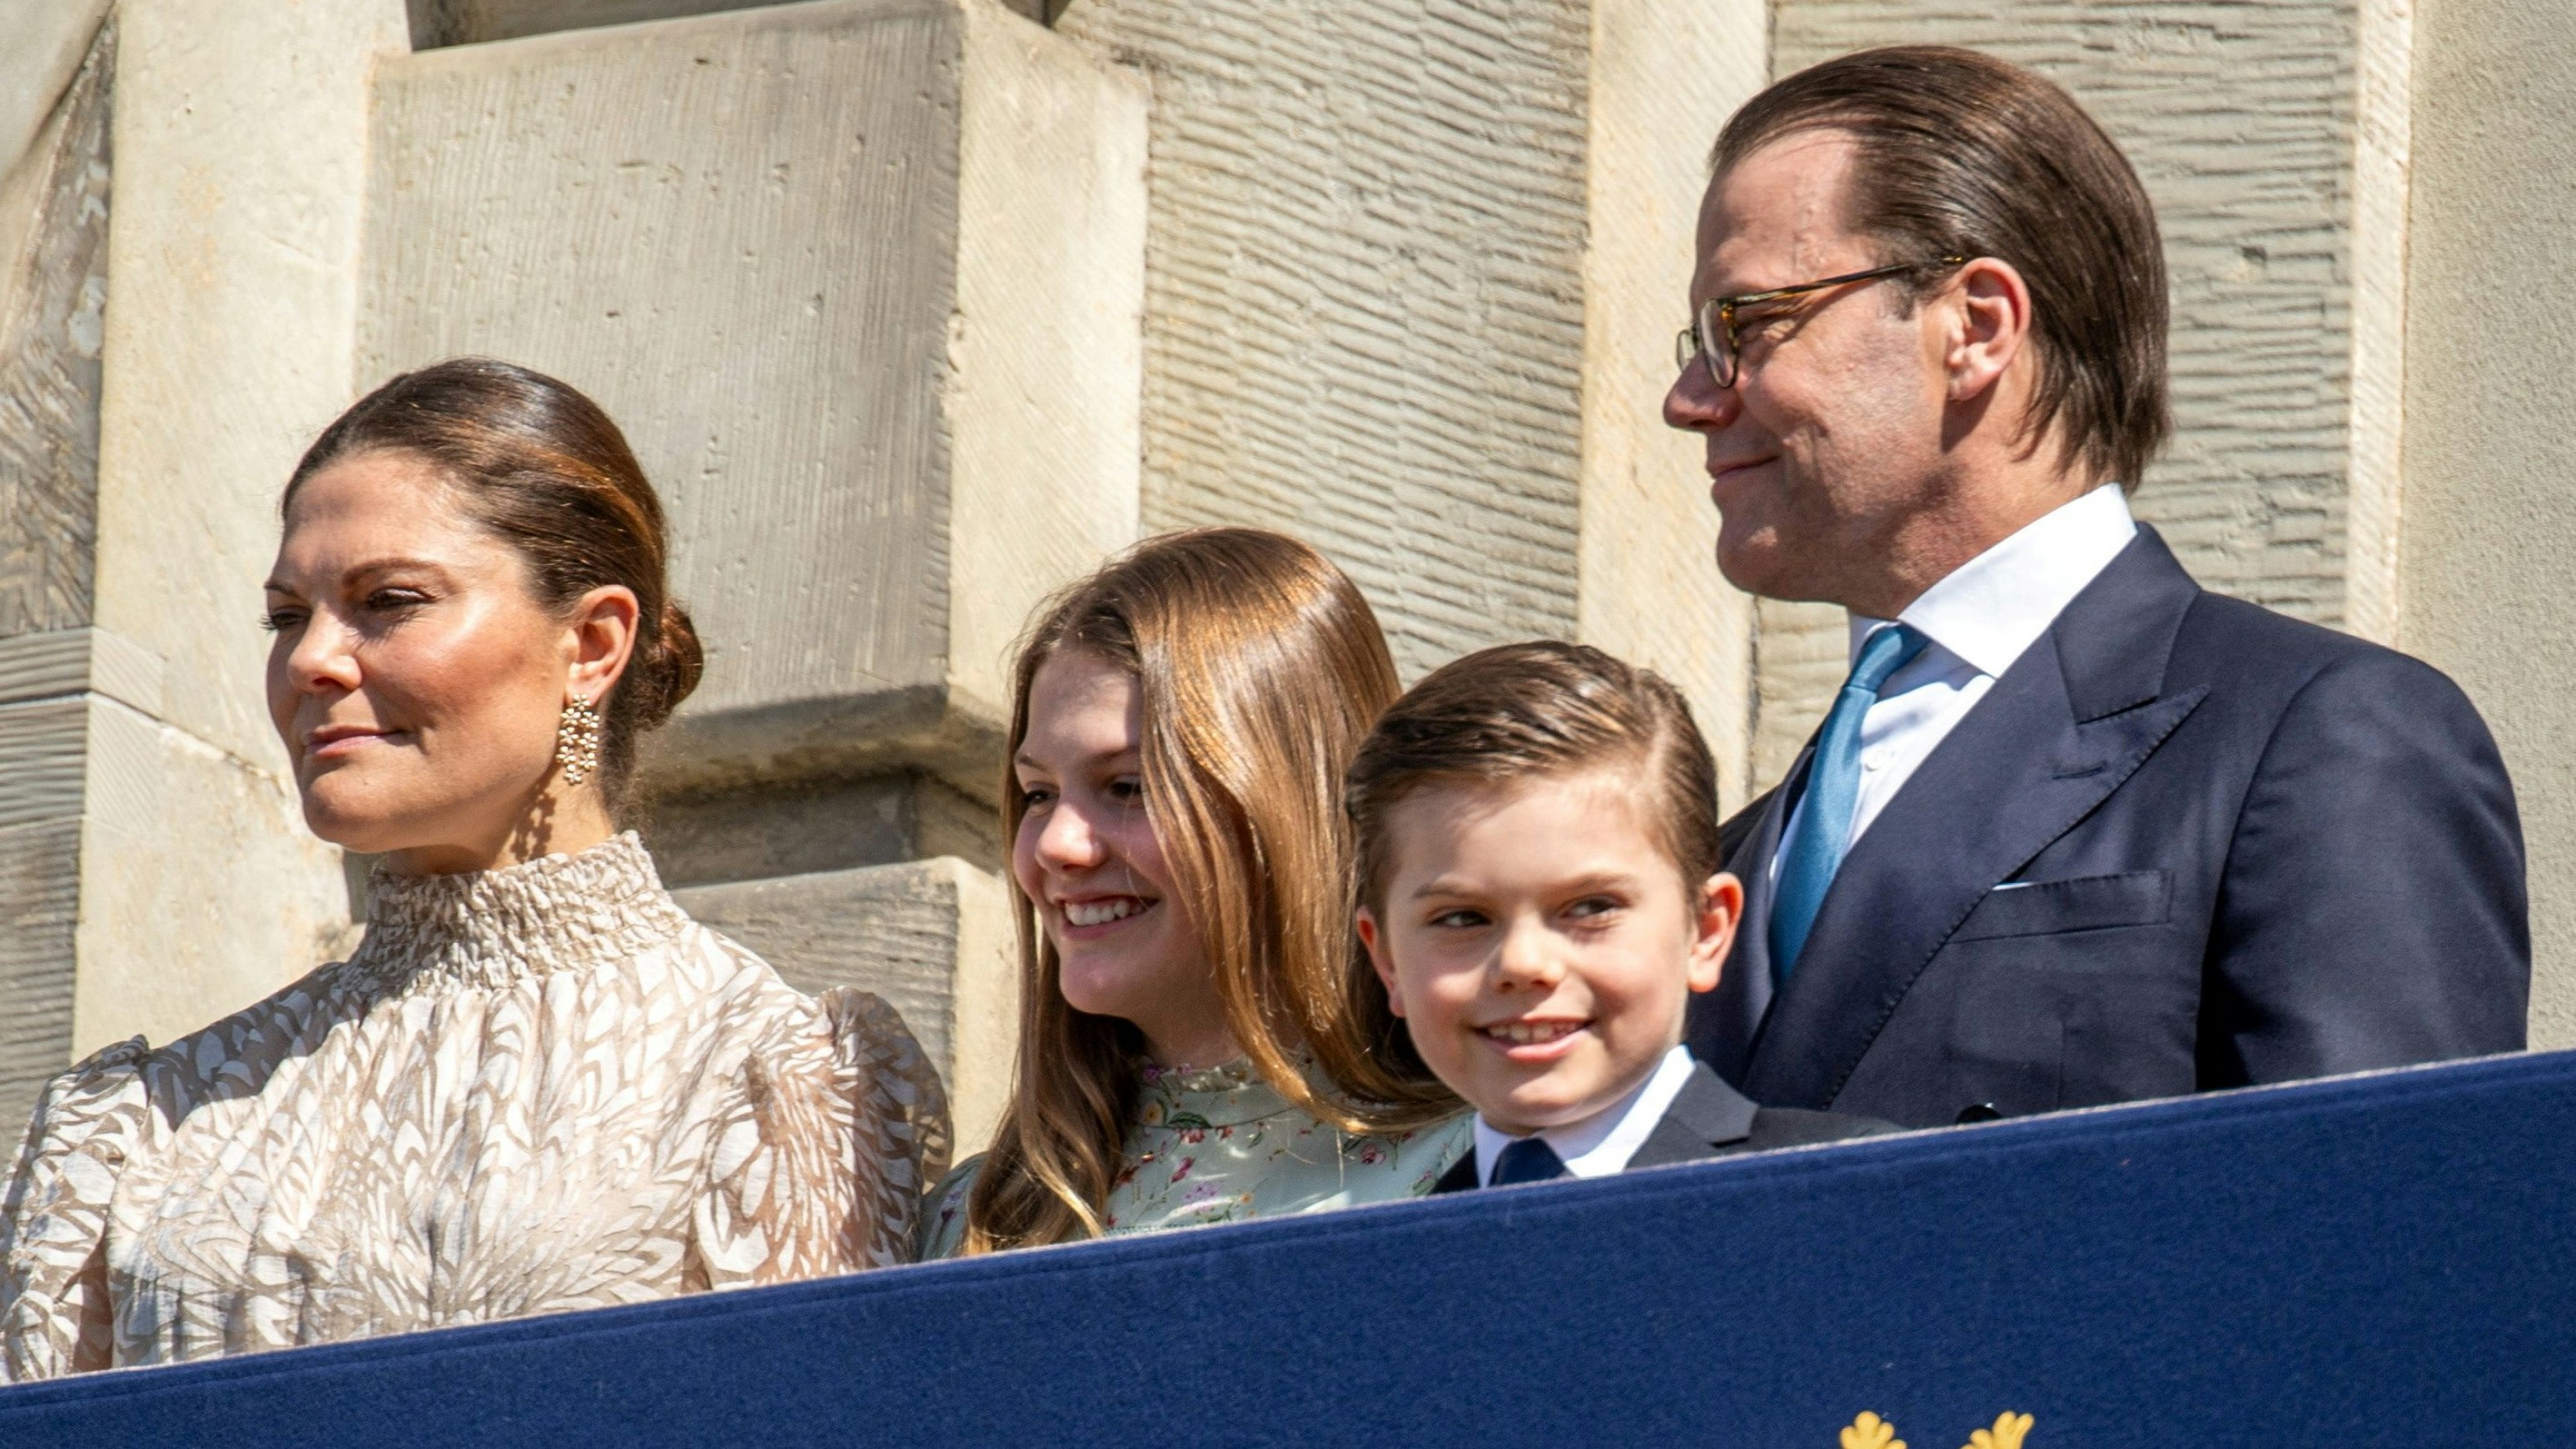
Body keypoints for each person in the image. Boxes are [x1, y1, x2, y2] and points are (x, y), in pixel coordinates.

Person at [0, 358, 947, 1379]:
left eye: (389, 599)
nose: (312, 658)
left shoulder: (778, 1078)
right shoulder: (141, 1119)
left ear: (591, 643)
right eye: (285, 615)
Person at [1660, 46, 2528, 1129]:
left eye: (1744, 326)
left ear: (1974, 326)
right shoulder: (1735, 853)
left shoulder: (2314, 739)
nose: (1689, 398)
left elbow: (2381, 1246)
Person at [916, 529, 1468, 1257]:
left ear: (1291, 804)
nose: (1053, 845)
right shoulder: (971, 1220)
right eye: (1038, 793)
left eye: (1128, 786)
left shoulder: (1493, 1165)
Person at [1348, 640, 1892, 1193]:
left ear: (1704, 931)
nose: (1524, 963)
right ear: (1388, 960)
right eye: (1463, 918)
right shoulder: (1376, 1260)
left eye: (1590, 908)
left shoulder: (1858, 1192)